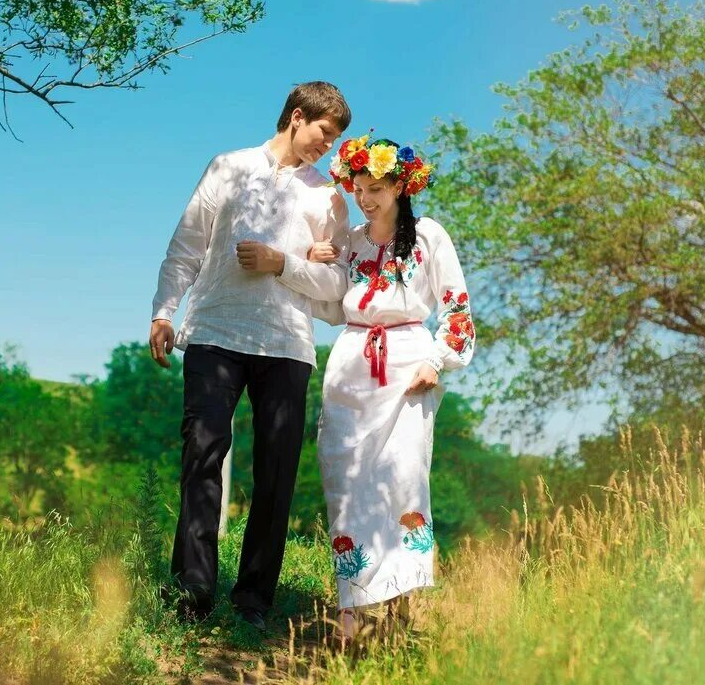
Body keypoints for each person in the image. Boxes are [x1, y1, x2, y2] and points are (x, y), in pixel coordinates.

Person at [149, 82, 352, 630]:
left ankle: (254, 601)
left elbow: (337, 284)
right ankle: (192, 591)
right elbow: (186, 244)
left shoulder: (328, 198)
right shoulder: (229, 167)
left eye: (335, 140)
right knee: (202, 455)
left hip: (287, 344)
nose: (327, 148)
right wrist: (165, 311)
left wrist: (281, 262)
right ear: (296, 116)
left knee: (276, 473)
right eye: (323, 134)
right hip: (215, 332)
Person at [313, 134, 475, 644]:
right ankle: (351, 609)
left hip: (407, 367)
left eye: (377, 188)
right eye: (359, 187)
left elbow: (456, 307)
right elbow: (332, 305)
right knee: (347, 479)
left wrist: (437, 359)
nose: (366, 198)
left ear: (401, 186)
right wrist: (320, 261)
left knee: (403, 479)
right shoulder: (353, 241)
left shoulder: (429, 236)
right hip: (351, 363)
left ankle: (403, 604)